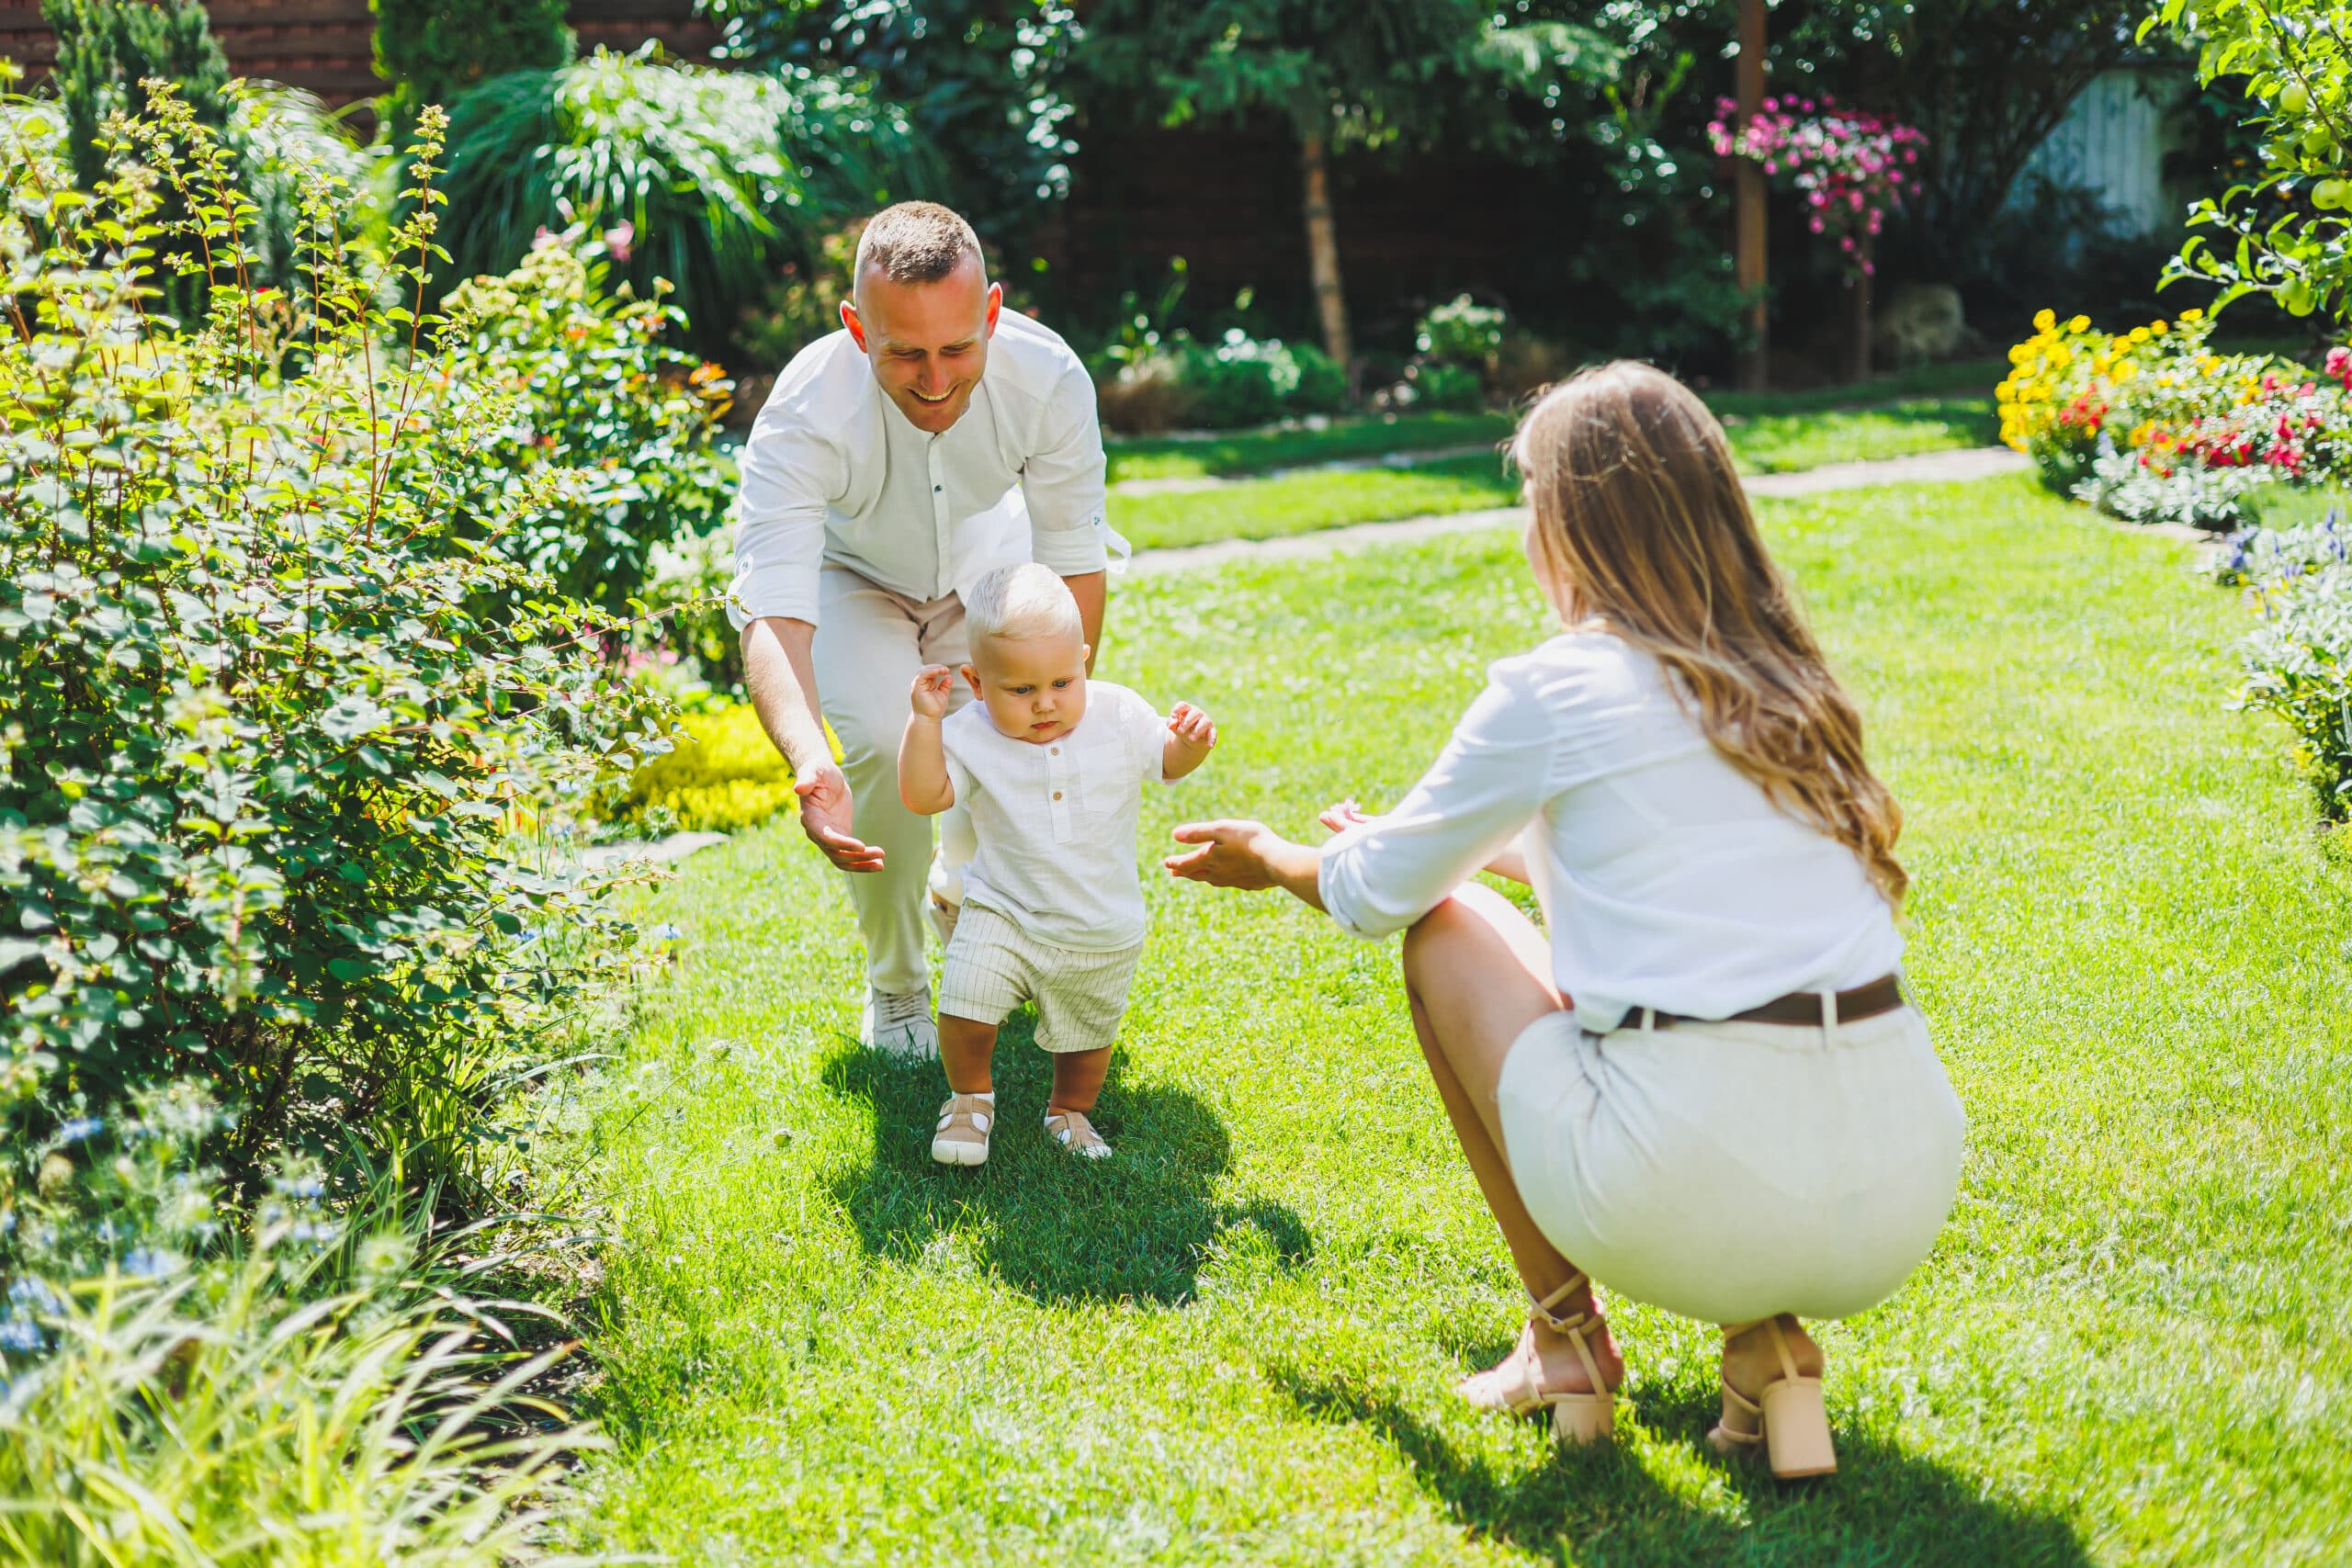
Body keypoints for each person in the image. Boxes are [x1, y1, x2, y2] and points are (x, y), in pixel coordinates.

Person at [1162, 361, 1964, 1480]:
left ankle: (1564, 1342)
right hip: (1898, 1187)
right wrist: (1418, 828)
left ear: (1571, 523)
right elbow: (1647, 868)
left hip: (1690, 1187)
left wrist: (1278, 857)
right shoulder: (1790, 684)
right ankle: (1766, 1350)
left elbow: (1375, 892)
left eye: (1532, 501)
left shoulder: (1559, 686)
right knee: (1710, 1012)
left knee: (1442, 929)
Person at [730, 201, 1118, 1056]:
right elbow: (775, 603)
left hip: (992, 568)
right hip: (853, 580)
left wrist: (1057, 701)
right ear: (856, 328)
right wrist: (808, 759)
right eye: (904, 352)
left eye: (957, 348)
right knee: (876, 734)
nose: (936, 379)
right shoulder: (804, 411)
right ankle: (898, 985)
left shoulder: (1048, 378)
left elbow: (1073, 561)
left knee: (1012, 731)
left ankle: (961, 887)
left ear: (993, 311)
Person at [899, 564, 1217, 1164]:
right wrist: (925, 722)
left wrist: (1190, 745)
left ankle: (1068, 1109)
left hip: (1099, 921)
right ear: (977, 680)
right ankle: (969, 1100)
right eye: (1020, 690)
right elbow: (923, 796)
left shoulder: (1119, 714)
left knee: (1088, 1039)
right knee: (963, 1005)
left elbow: (1165, 762)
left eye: (1063, 682)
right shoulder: (971, 732)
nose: (1044, 703)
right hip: (1003, 910)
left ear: (1085, 660)